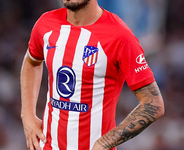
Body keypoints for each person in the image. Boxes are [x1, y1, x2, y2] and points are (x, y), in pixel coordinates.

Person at [20, 0, 165, 150]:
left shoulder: (120, 35)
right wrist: (27, 115)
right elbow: (32, 62)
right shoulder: (45, 24)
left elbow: (153, 103)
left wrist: (105, 142)